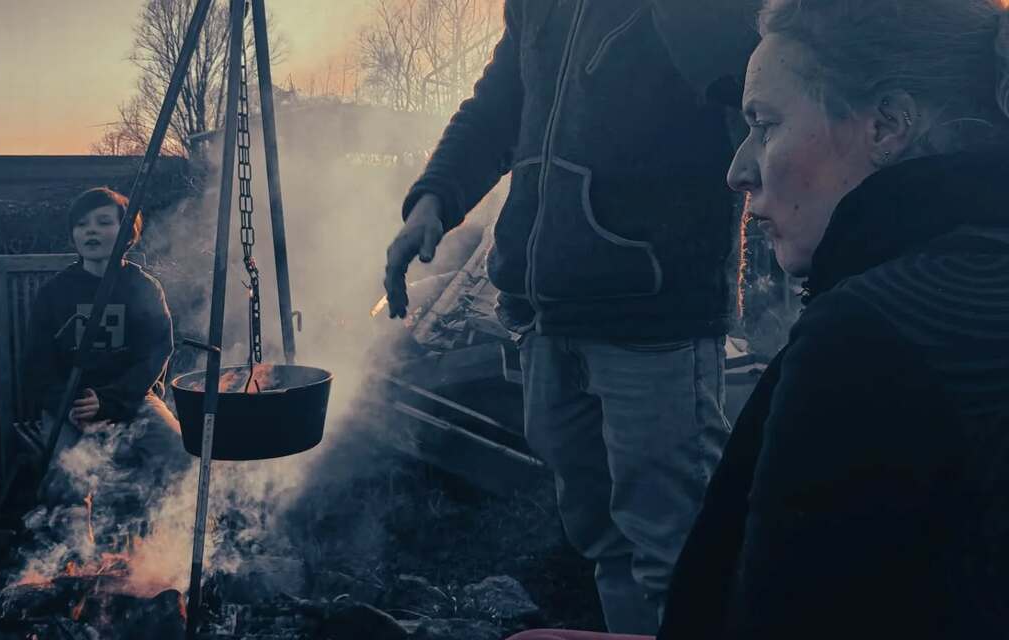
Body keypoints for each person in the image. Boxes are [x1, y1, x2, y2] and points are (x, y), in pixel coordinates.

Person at [508, 0, 1009, 638]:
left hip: (649, 307)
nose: (738, 170)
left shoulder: (866, 341)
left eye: (764, 125)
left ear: (887, 125)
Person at [383, 0, 760, 633]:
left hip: (655, 319)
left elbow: (752, 91)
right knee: (605, 546)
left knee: (679, 557)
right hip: (545, 316)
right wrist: (434, 198)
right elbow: (497, 109)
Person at [24, 187, 189, 506]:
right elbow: (37, 364)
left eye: (103, 222)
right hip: (69, 405)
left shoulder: (143, 288)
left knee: (181, 453)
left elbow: (153, 356)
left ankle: (163, 538)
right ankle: (76, 548)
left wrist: (110, 400)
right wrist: (70, 405)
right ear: (73, 234)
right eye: (83, 224)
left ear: (127, 233)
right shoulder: (55, 293)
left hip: (131, 398)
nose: (92, 231)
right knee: (66, 474)